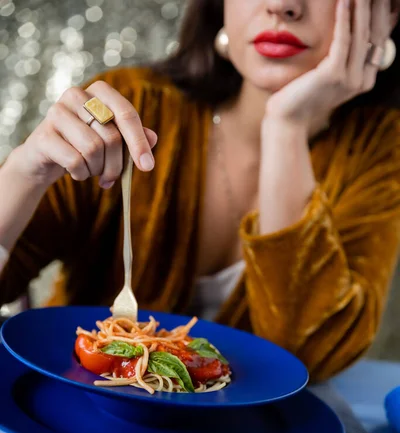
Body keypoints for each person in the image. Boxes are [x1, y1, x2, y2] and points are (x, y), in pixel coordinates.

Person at [0, 0, 399, 381]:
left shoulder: (381, 148)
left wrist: (286, 125)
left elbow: (310, 357)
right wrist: (22, 174)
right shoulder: (131, 112)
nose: (282, 6)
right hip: (70, 414)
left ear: (388, 12)